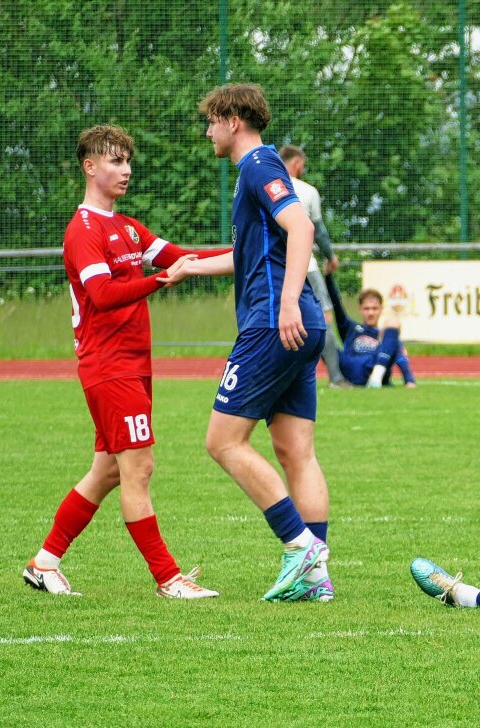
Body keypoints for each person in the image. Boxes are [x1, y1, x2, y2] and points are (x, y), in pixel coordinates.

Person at [24, 124, 227, 599]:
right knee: (139, 469)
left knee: (109, 471)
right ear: (89, 167)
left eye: (128, 161)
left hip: (132, 366)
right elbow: (102, 294)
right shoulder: (83, 230)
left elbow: (184, 257)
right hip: (109, 367)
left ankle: (44, 562)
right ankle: (169, 579)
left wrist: (255, 254)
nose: (126, 169)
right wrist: (160, 282)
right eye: (115, 161)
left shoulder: (129, 227)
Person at [189, 83, 333, 602]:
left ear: (232, 119)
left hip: (275, 323)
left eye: (211, 121)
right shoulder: (253, 174)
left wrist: (289, 301)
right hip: (301, 325)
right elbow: (250, 254)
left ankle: (302, 551)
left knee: (222, 441)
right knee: (296, 451)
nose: (208, 131)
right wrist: (191, 267)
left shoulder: (258, 165)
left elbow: (300, 228)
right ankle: (316, 578)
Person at [278, 144, 346, 386]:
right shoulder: (307, 191)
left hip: (279, 267)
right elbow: (319, 231)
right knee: (324, 316)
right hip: (307, 267)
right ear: (296, 164)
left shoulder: (269, 189)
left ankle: (283, 377)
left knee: (282, 320)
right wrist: (331, 256)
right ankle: (336, 377)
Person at [325, 276, 416, 389]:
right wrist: (328, 276)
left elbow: (400, 354)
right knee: (322, 331)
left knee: (393, 323)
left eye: (374, 308)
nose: (371, 313)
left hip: (374, 368)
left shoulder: (386, 335)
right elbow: (336, 304)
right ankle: (333, 379)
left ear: (381, 309)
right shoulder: (350, 327)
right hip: (349, 370)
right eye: (367, 309)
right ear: (360, 309)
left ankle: (376, 377)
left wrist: (409, 380)